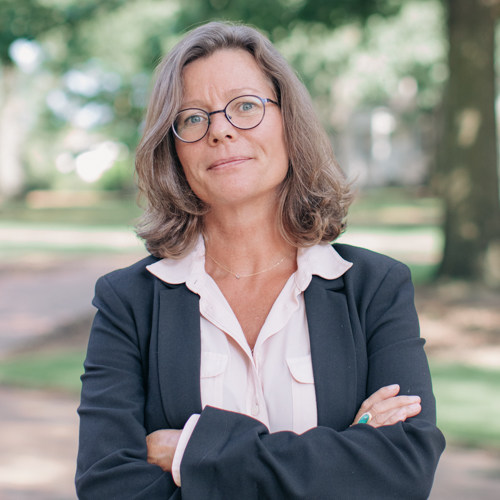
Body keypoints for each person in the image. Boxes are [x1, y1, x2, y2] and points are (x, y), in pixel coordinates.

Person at [76, 21, 445, 499]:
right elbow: (108, 487)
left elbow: (403, 472)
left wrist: (192, 452)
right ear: (174, 151)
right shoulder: (128, 302)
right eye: (192, 118)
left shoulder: (376, 288)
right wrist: (343, 456)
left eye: (245, 106)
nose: (221, 131)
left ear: (289, 122)